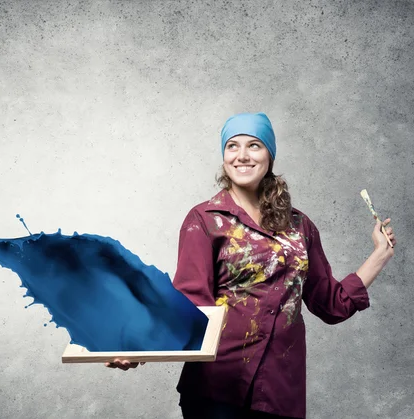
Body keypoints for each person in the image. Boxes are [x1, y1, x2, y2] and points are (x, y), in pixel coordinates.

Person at [105, 112, 397, 419]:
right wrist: (139, 347)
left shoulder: (301, 228)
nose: (242, 156)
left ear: (269, 155)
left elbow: (331, 304)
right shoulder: (205, 221)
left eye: (254, 145)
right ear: (224, 156)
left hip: (281, 392)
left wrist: (380, 254)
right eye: (232, 146)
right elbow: (189, 304)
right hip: (216, 392)